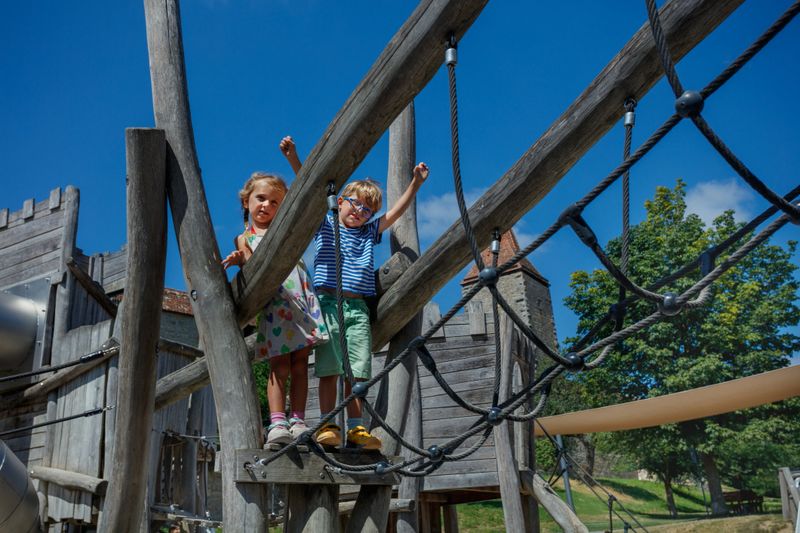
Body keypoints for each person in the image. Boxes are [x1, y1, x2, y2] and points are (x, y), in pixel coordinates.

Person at [279, 136, 429, 450]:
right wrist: (294, 157)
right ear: (342, 201)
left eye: (367, 209)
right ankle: (328, 423)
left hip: (358, 307)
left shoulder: (367, 232)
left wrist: (415, 184)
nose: (360, 211)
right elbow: (310, 188)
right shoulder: (326, 221)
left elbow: (394, 214)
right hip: (328, 303)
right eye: (355, 203)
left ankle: (356, 428)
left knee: (357, 371)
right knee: (330, 368)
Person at [222, 172, 329, 445]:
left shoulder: (285, 230)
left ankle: (299, 419)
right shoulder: (244, 238)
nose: (266, 206)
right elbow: (251, 265)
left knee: (301, 365)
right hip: (276, 305)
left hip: (299, 299)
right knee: (279, 366)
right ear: (246, 202)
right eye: (261, 199)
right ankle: (278, 421)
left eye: (274, 202)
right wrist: (238, 261)